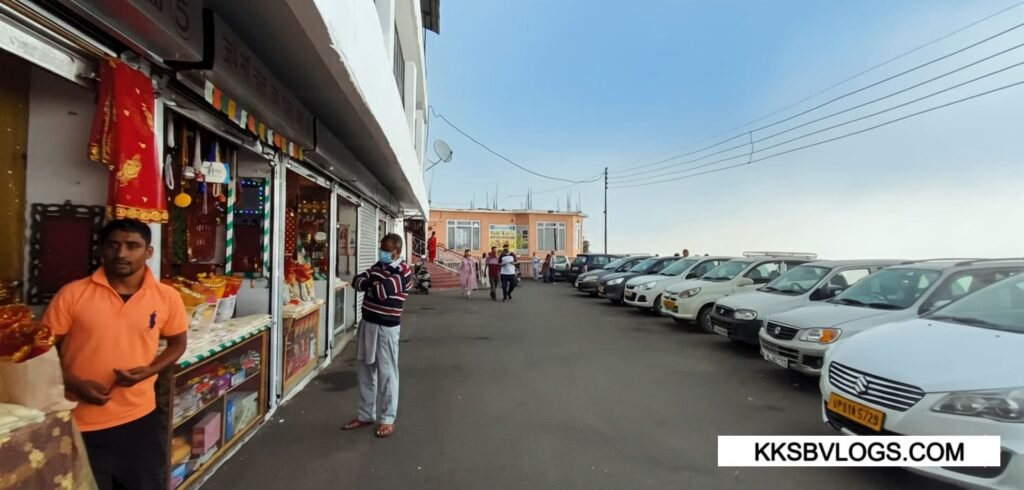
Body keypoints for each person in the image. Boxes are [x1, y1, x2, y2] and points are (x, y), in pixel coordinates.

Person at [43, 219, 188, 490]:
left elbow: (178, 343)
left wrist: (151, 370)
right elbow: (40, 351)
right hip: (78, 419)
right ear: (102, 250)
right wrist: (73, 383)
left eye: (132, 246)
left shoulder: (167, 297)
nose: (121, 253)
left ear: (148, 252)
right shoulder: (73, 294)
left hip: (140, 418)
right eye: (114, 245)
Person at [344, 233, 412, 439]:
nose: (382, 253)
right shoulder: (379, 267)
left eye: (386, 250)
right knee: (366, 371)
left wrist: (370, 284)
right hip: (368, 324)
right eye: (381, 249)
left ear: (397, 251)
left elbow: (382, 292)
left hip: (387, 328)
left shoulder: (404, 271)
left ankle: (387, 419)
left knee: (387, 373)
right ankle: (365, 415)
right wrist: (371, 283)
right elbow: (357, 281)